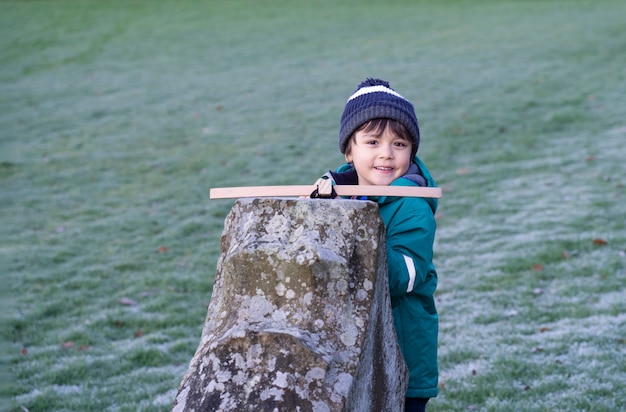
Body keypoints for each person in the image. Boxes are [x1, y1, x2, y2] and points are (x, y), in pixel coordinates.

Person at [317, 78, 439, 412]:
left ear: (411, 151)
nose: (386, 153)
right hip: (355, 354)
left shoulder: (411, 205)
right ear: (349, 150)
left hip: (400, 359)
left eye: (399, 144)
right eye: (372, 141)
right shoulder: (340, 196)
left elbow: (406, 276)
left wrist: (352, 238)